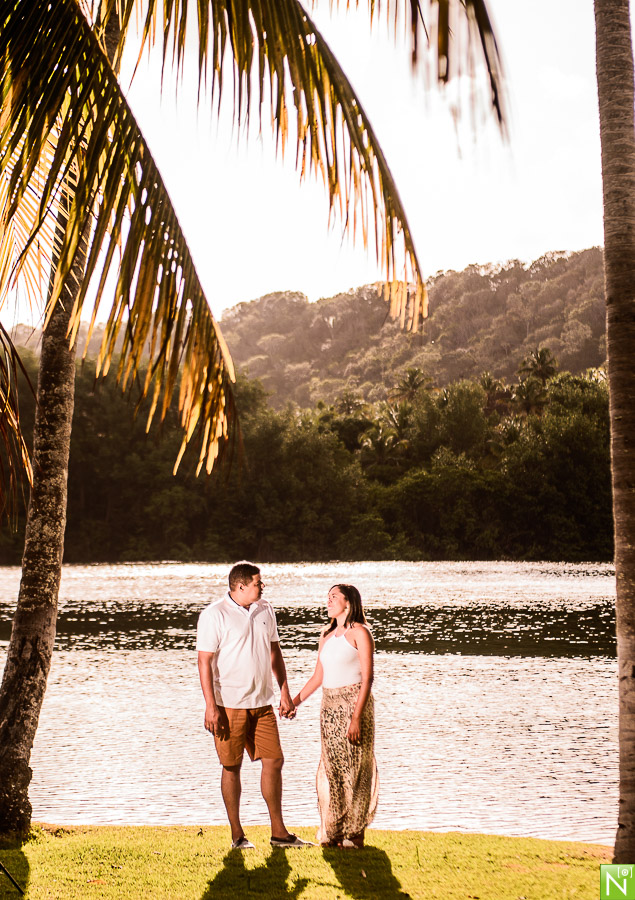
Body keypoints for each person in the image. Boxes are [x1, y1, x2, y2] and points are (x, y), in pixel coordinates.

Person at [197, 562, 311, 850]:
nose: (263, 587)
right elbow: (204, 662)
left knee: (274, 760)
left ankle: (279, 833)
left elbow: (275, 652)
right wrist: (211, 705)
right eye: (259, 583)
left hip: (263, 703)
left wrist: (284, 691)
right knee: (231, 766)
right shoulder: (214, 615)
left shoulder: (265, 609)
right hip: (229, 705)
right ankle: (237, 835)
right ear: (240, 586)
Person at [292, 583, 378, 848]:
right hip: (329, 708)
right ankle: (336, 831)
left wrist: (355, 718)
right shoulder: (326, 635)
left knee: (357, 769)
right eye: (327, 597)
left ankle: (355, 833)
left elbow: (368, 678)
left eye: (334, 597)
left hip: (354, 705)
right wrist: (294, 702)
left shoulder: (360, 633)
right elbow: (319, 677)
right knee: (335, 770)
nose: (328, 601)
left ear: (348, 603)